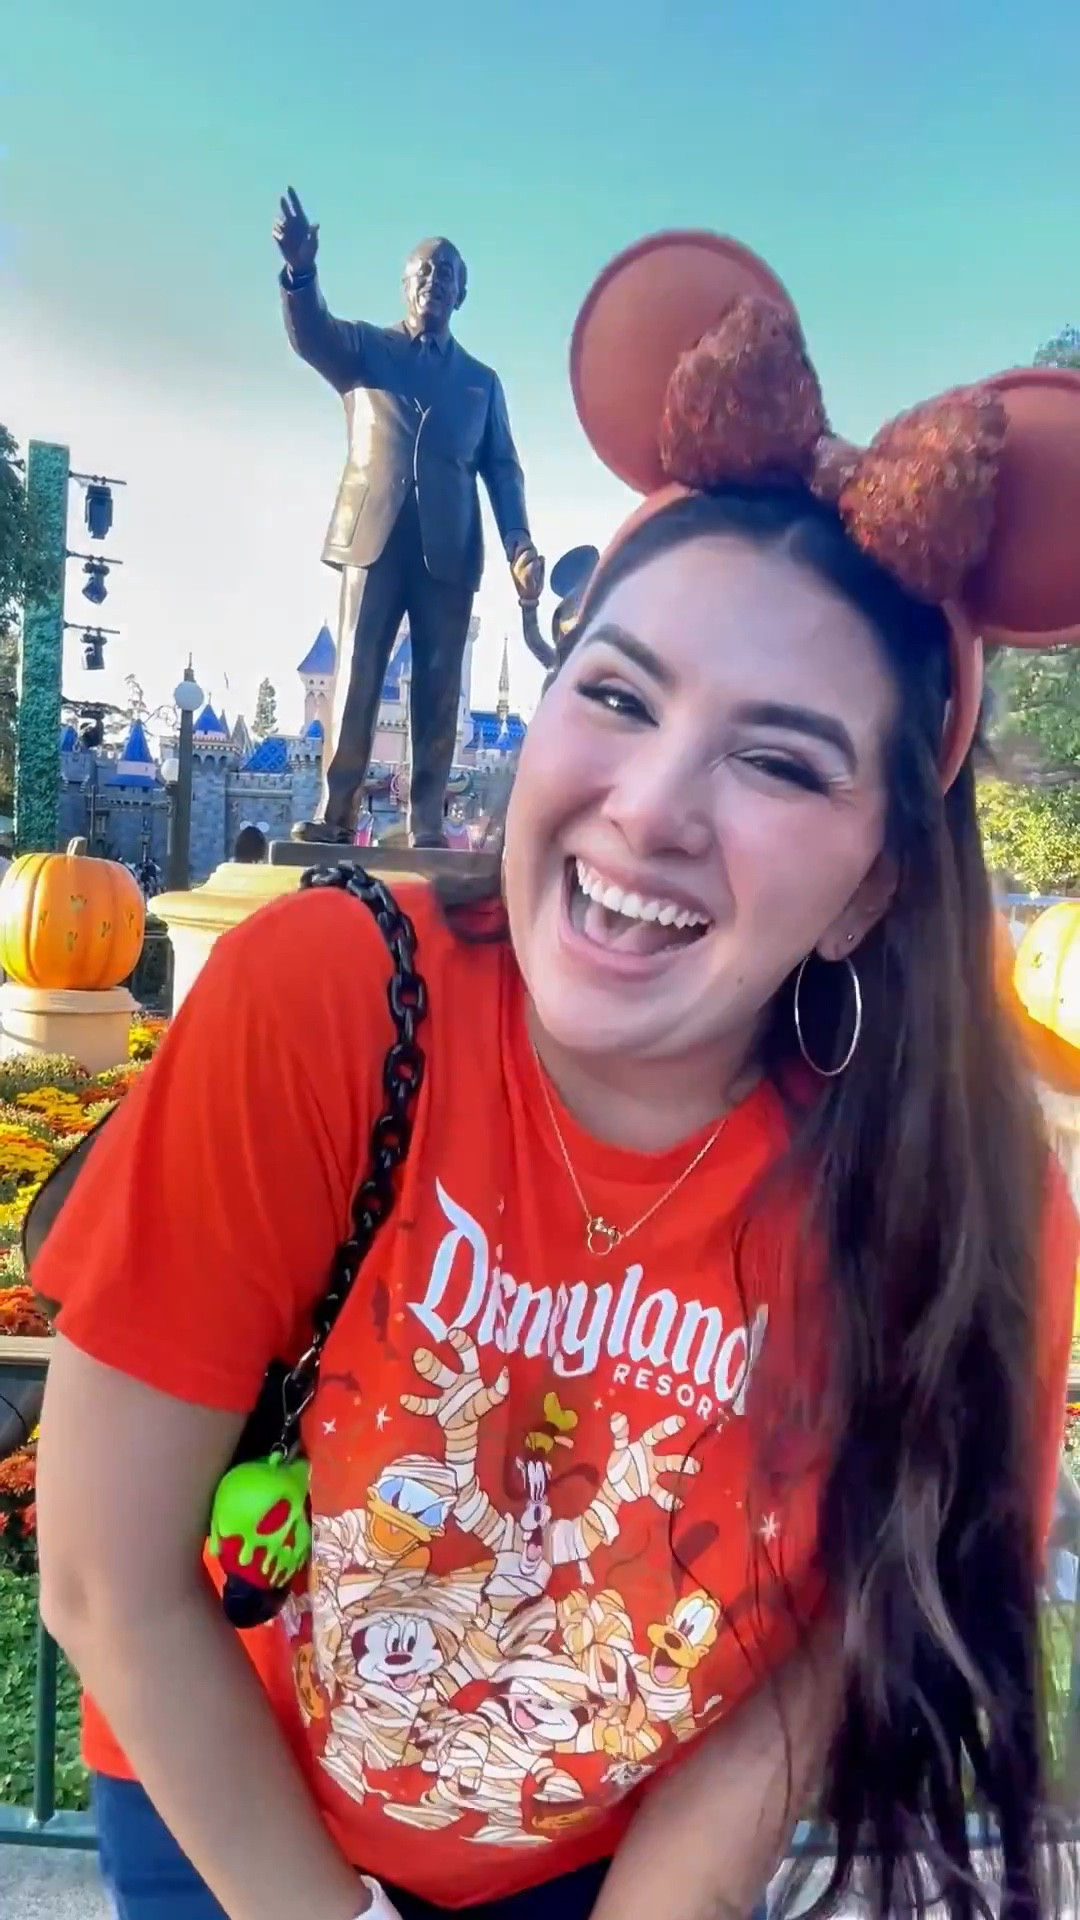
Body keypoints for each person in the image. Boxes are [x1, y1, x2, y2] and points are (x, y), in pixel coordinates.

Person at [32, 229, 1080, 1920]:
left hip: (598, 1857)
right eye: (620, 693)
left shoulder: (960, 1203)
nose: (653, 809)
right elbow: (99, 1571)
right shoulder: (330, 999)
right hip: (227, 1785)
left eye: (778, 758)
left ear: (877, 882)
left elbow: (830, 1662)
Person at [274, 190, 544, 848]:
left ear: (462, 294)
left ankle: (427, 820)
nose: (434, 282)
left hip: (449, 553)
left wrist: (519, 542)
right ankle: (335, 810)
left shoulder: (482, 382)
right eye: (423, 271)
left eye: (446, 274)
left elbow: (503, 469)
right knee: (358, 671)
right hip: (373, 538)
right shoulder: (365, 350)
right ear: (404, 286)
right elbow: (311, 335)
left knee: (438, 685)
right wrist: (302, 275)